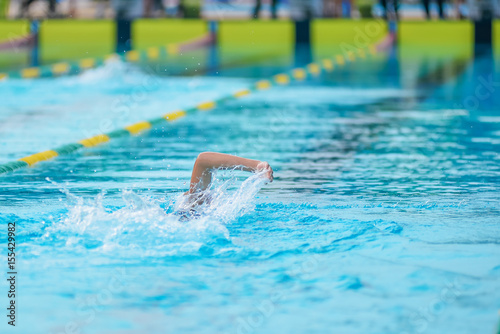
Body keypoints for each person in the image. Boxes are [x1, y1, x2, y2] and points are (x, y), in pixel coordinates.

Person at [182, 152, 273, 208]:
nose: (211, 195)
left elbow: (202, 161)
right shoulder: (194, 204)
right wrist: (256, 166)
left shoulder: (188, 205)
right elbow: (202, 160)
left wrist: (256, 166)